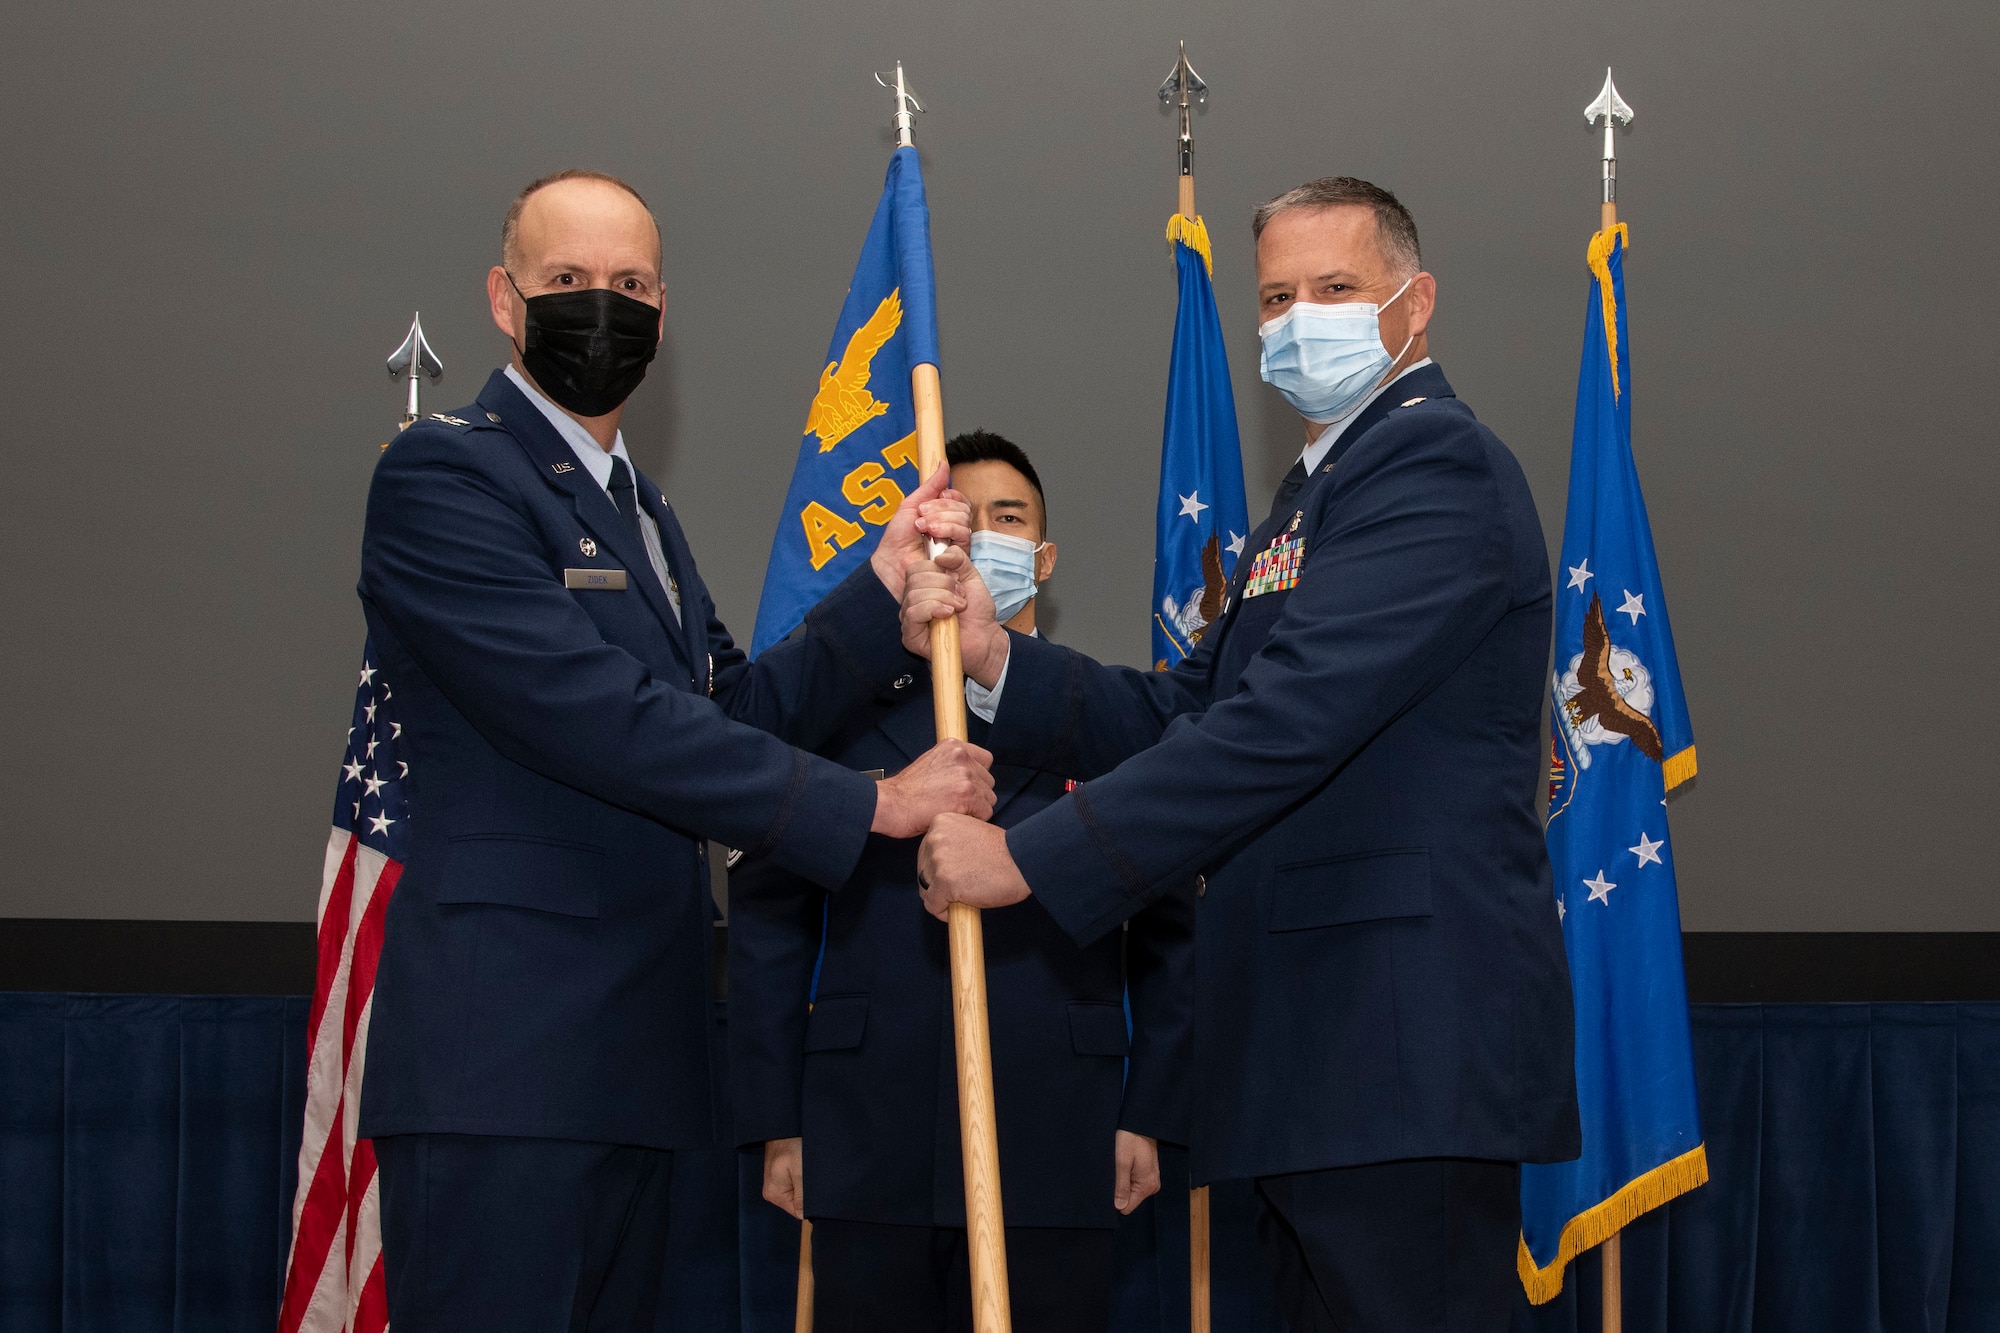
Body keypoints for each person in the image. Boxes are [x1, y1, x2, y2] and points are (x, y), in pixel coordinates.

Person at [904, 178, 1582, 1332]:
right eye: (1274, 296)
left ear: (1413, 305)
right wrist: (992, 660)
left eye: (1333, 288)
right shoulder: (1307, 503)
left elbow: (1285, 721)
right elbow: (1193, 707)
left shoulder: (1433, 467)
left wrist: (1029, 861)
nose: (1295, 318)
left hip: (1394, 1049)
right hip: (1308, 1054)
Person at [355, 168, 993, 1333]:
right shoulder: (448, 475)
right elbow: (598, 714)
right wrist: (868, 805)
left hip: (636, 1059)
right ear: (504, 299)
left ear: (662, 309)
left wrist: (882, 591)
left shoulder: (640, 510)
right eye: (567, 281)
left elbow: (726, 707)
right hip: (503, 1063)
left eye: (630, 284)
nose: (600, 307)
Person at [730, 430, 1195, 1333]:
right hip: (867, 1132)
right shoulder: (838, 720)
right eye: (962, 520)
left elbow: (1170, 925)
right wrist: (775, 1115)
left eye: (1009, 518)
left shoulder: (1105, 722)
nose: (984, 538)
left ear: (1045, 556)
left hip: (1060, 1131)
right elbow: (770, 923)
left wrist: (1151, 1110)